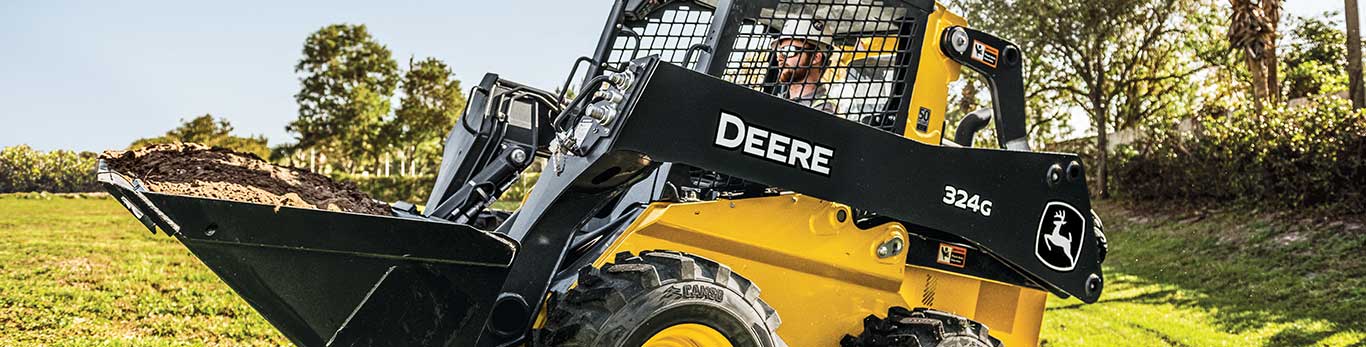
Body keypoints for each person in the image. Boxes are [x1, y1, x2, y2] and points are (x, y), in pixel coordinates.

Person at [771, 19, 836, 113]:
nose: (780, 58)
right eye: (780, 51)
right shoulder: (778, 100)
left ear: (816, 57)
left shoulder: (824, 110)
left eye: (789, 50)